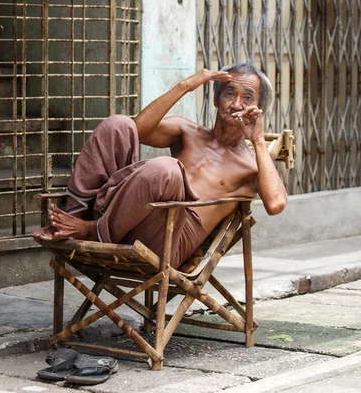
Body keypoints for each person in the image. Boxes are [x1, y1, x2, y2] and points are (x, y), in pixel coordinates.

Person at [32, 63, 288, 268]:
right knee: (117, 124)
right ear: (216, 99)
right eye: (230, 93)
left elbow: (275, 204)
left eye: (247, 98)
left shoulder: (251, 164)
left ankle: (91, 230)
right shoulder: (188, 132)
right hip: (132, 217)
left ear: (258, 108)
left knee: (168, 168)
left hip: (167, 242)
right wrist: (185, 85)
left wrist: (256, 138)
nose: (236, 104)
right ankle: (75, 217)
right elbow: (136, 129)